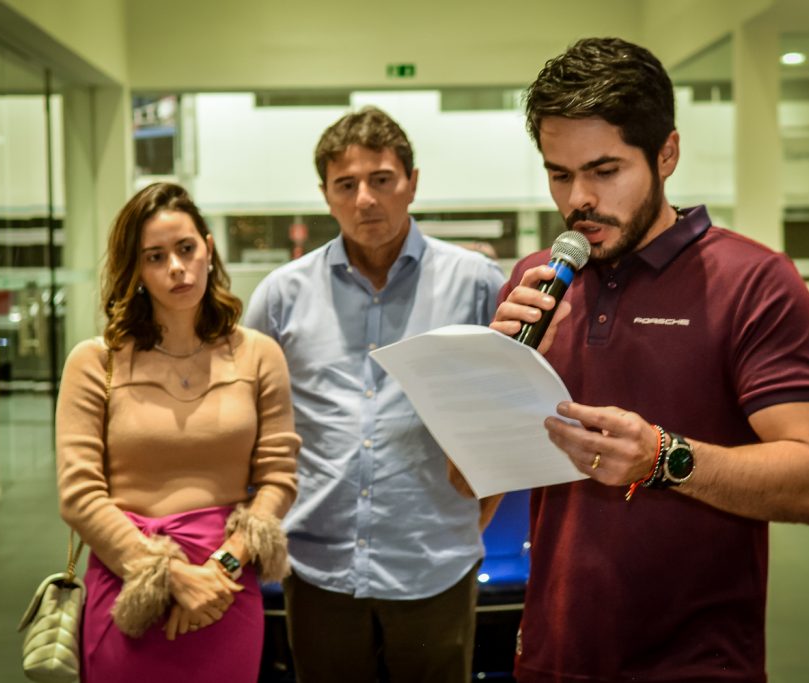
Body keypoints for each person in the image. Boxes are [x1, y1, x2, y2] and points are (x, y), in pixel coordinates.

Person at [490, 37, 809, 682]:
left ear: (667, 154)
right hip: (550, 657)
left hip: (695, 665)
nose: (578, 200)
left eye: (604, 170)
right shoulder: (536, 283)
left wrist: (664, 458)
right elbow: (475, 484)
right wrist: (487, 381)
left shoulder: (754, 281)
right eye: (559, 174)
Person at [244, 106, 506, 682]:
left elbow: (509, 415)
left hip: (434, 562)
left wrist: (474, 511)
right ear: (325, 195)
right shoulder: (281, 297)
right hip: (318, 566)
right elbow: (250, 421)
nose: (365, 199)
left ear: (412, 182)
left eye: (382, 179)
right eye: (346, 184)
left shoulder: (477, 285)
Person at [56, 182, 300, 682]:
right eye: (155, 256)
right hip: (131, 586)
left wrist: (221, 569)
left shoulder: (258, 355)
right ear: (136, 270)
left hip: (226, 587)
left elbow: (278, 478)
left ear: (208, 248)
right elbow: (79, 495)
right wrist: (167, 575)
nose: (176, 267)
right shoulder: (95, 362)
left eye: (186, 248)